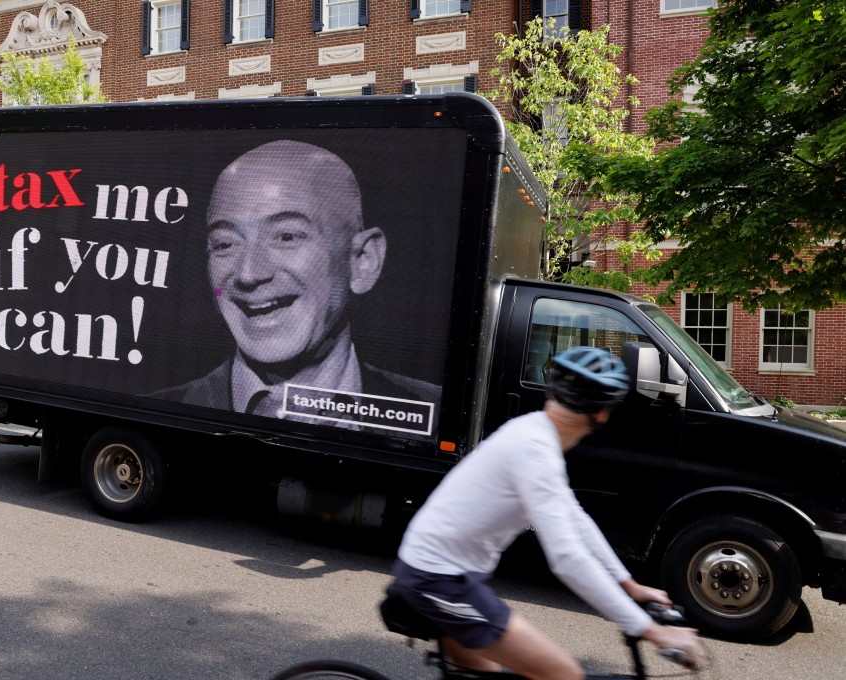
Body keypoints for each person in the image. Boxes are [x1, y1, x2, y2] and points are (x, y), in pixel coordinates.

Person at [387, 346, 704, 680]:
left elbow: (575, 519)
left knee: (482, 673)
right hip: (440, 582)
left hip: (440, 573)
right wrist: (650, 629)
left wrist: (629, 585)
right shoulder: (535, 449)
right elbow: (567, 558)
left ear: (553, 392)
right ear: (602, 414)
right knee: (562, 674)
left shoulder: (532, 432)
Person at [158, 140, 440, 428]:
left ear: (362, 261)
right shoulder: (162, 413)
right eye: (225, 244)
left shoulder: (434, 415)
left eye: (286, 237)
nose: (248, 273)